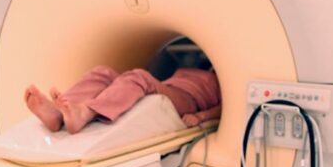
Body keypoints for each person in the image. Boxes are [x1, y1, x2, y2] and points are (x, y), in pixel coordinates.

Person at [24, 65, 222, 134]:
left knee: (140, 77)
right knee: (103, 72)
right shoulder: (192, 69)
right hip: (169, 88)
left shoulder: (222, 81)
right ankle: (58, 114)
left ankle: (85, 112)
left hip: (188, 101)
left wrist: (201, 117)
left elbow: (225, 108)